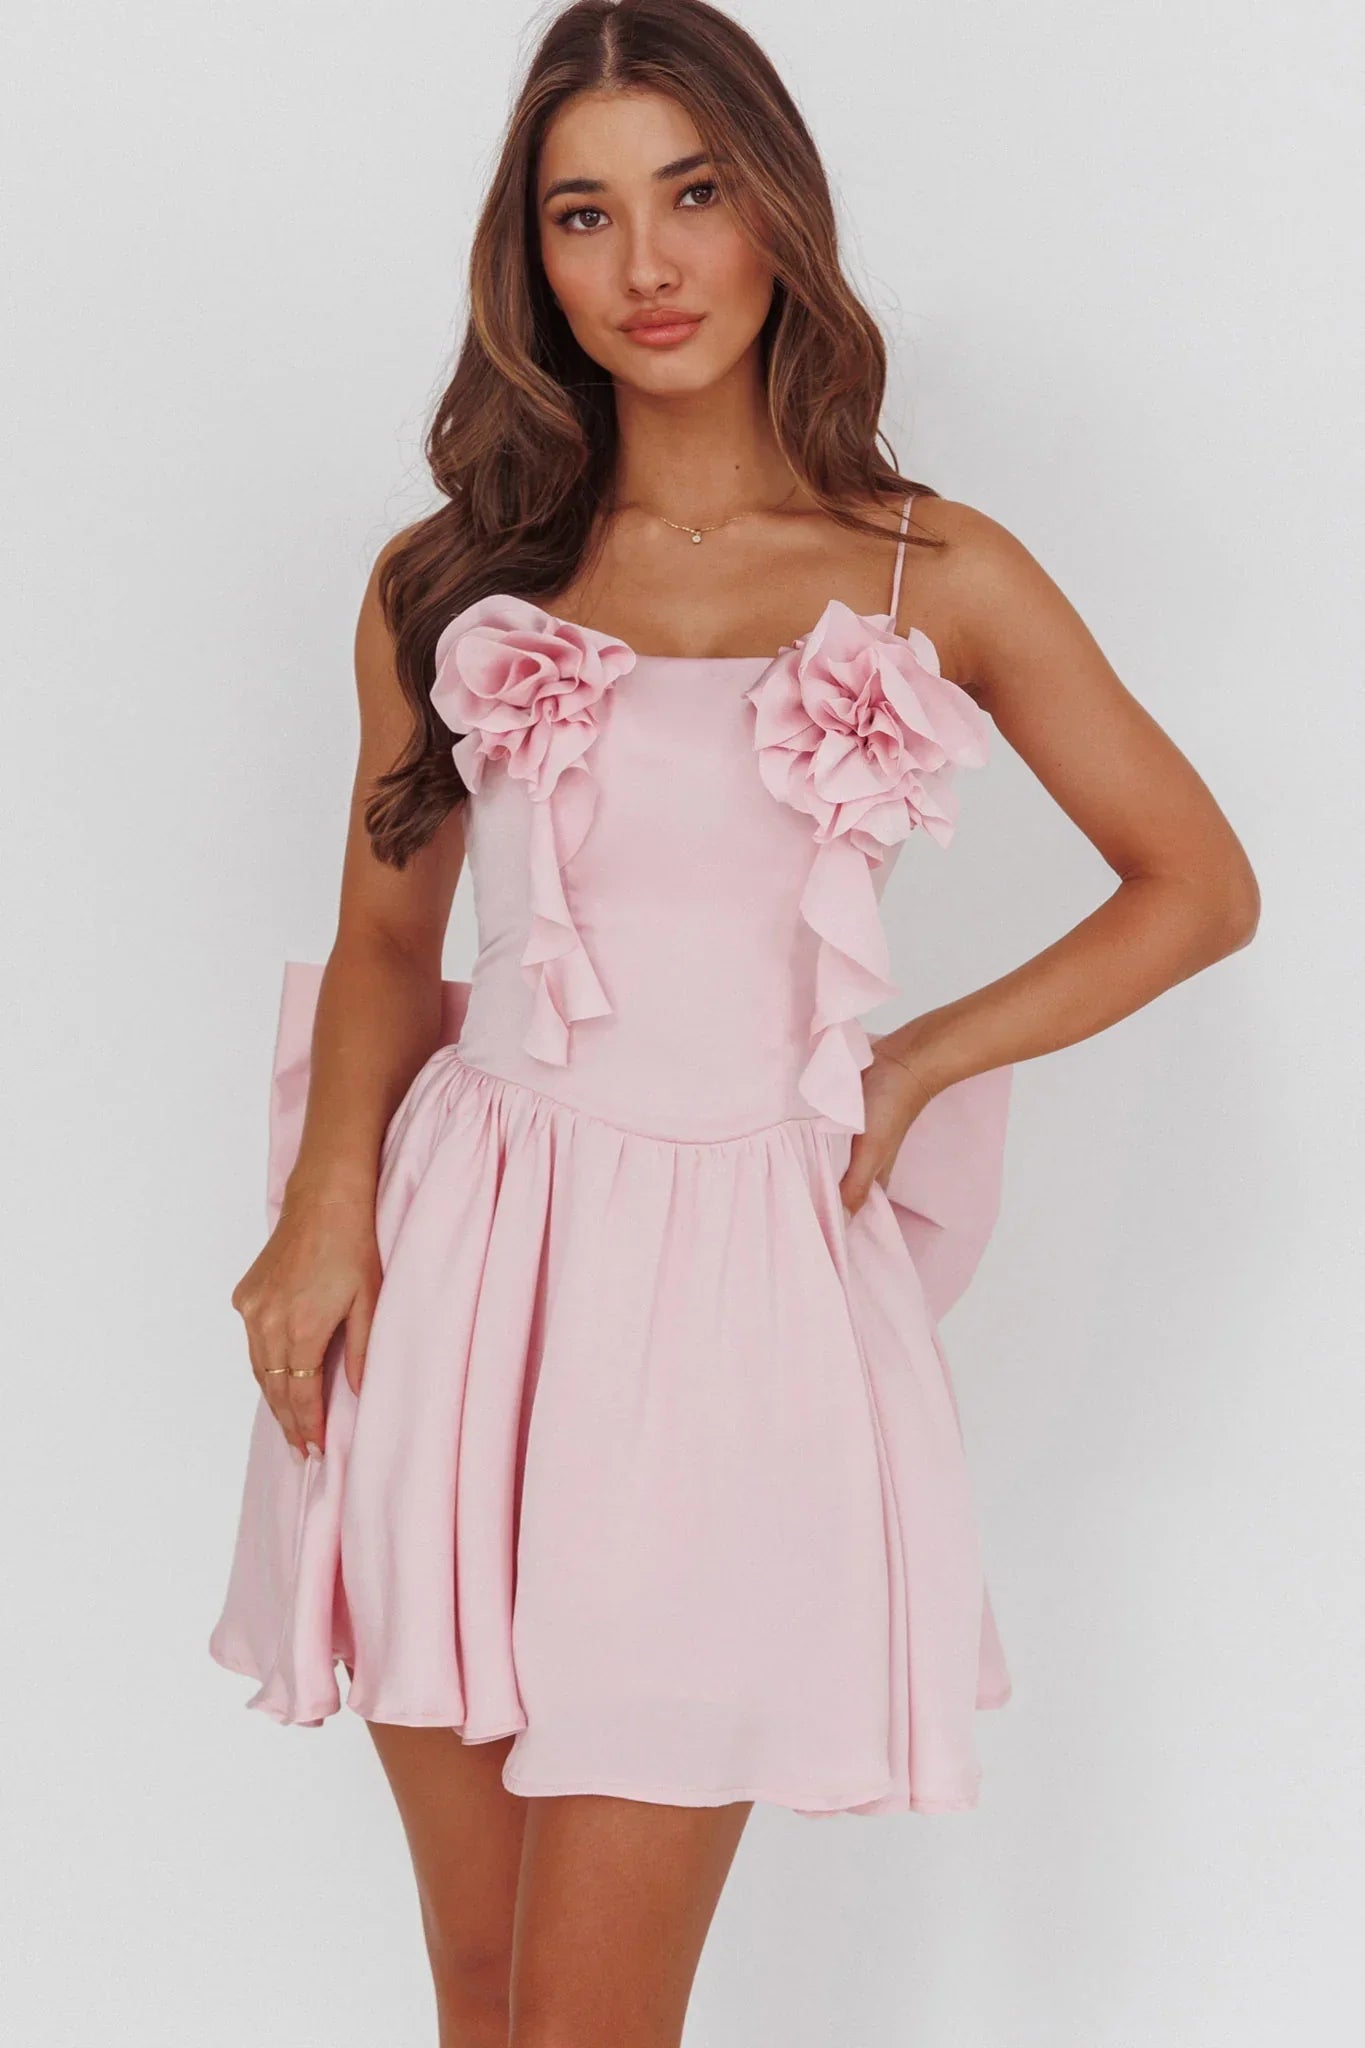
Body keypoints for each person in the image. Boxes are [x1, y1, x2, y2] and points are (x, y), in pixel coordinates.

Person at [209, 2, 1260, 2041]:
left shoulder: (930, 570)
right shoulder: (451, 578)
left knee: (590, 2018)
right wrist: (324, 1211)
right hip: (463, 1275)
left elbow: (1195, 885)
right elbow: (383, 941)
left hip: (732, 1306)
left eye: (690, 194)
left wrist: (917, 1057)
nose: (647, 264)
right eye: (582, 214)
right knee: (485, 1987)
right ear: (531, 258)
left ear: (776, 208)